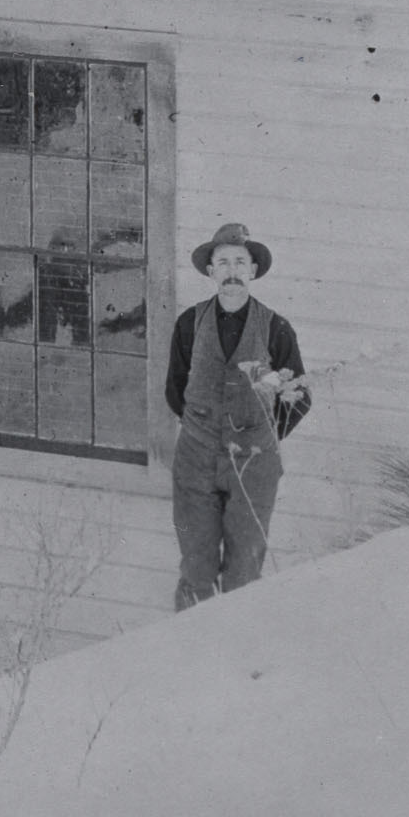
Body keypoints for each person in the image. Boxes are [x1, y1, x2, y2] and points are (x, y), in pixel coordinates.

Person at [166, 221, 309, 610]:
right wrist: (205, 428)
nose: (232, 271)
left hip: (254, 465)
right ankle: (190, 657)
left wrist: (259, 435)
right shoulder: (189, 325)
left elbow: (299, 396)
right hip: (196, 460)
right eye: (223, 262)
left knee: (244, 573)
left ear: (253, 270)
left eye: (239, 262)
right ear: (211, 272)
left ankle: (234, 659)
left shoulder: (276, 328)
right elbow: (174, 391)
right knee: (196, 568)